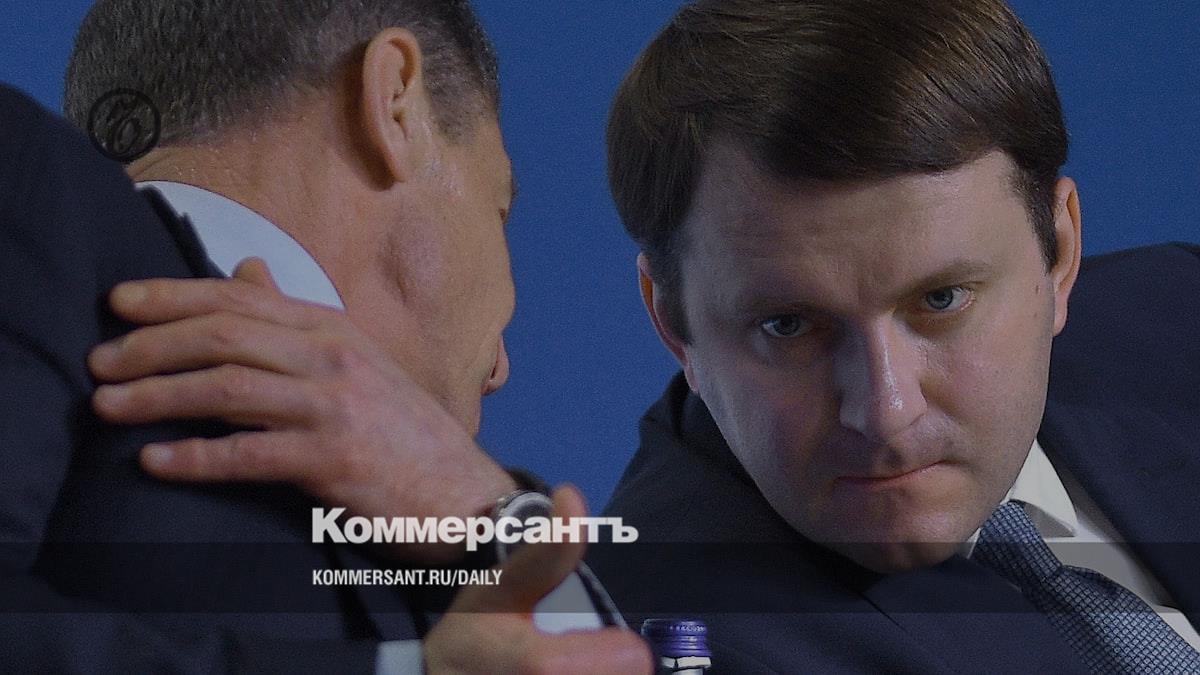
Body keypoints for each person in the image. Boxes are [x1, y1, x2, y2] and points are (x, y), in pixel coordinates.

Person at [0, 0, 650, 672]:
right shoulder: (28, 183)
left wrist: (479, 506)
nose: (501, 368)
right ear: (396, 105)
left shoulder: (449, 539)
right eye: (499, 209)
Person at [594, 0, 1200, 671]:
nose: (887, 411)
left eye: (941, 300)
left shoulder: (1180, 308)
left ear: (1058, 252)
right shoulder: (661, 643)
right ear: (674, 323)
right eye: (788, 326)